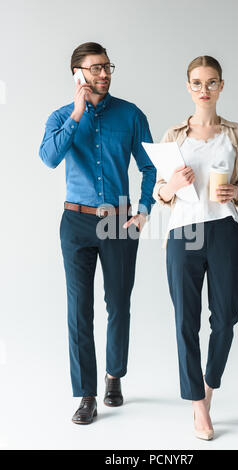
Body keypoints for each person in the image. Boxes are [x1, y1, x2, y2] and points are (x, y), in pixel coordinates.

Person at [39, 42, 156, 424]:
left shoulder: (131, 114)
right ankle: (86, 393)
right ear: (78, 74)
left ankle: (114, 375)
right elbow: (49, 158)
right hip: (75, 221)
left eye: (107, 67)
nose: (104, 74)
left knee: (118, 303)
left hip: (118, 220)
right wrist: (76, 114)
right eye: (95, 68)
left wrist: (143, 210)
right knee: (79, 310)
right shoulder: (61, 116)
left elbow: (150, 167)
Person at [153, 55, 238, 440]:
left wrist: (236, 192)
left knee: (226, 317)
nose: (204, 90)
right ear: (188, 87)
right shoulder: (173, 136)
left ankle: (209, 387)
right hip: (183, 234)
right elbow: (160, 192)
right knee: (185, 321)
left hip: (224, 229)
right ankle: (197, 406)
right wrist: (171, 188)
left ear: (221, 86)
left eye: (211, 82)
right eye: (197, 83)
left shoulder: (236, 133)